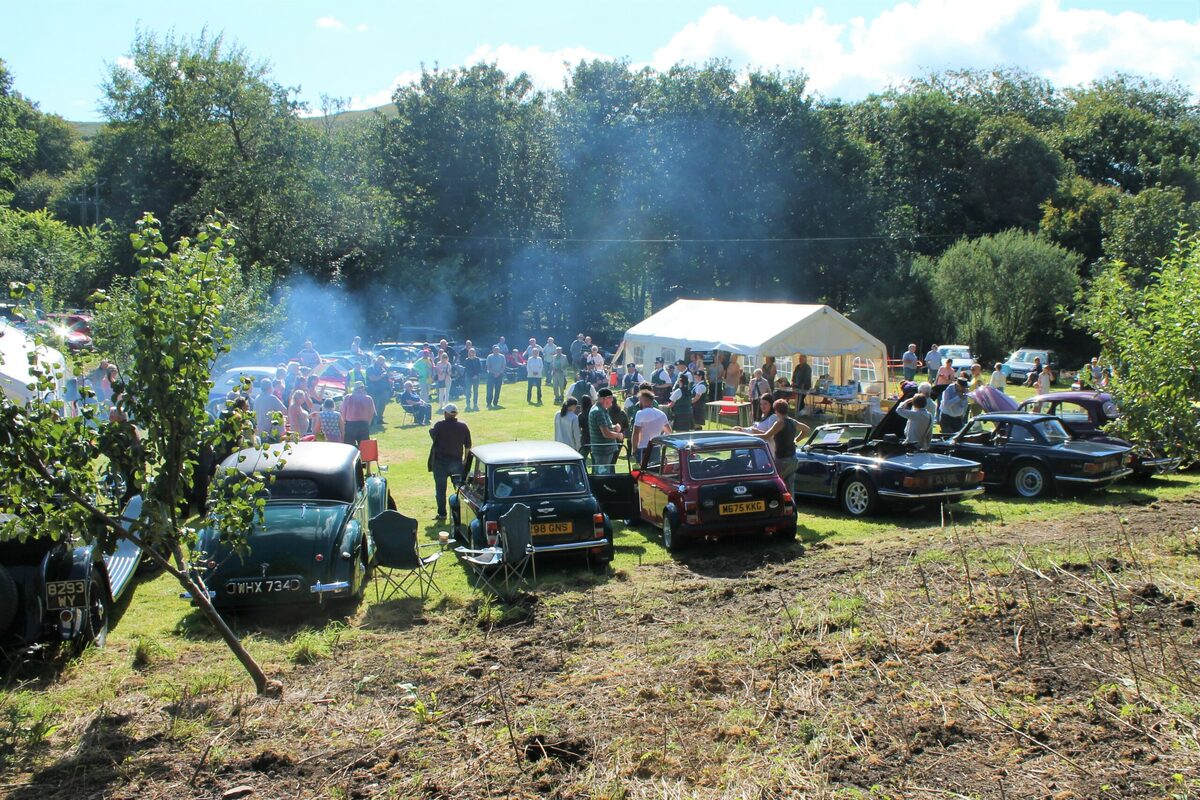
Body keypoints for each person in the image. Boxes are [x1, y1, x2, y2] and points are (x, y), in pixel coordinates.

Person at [429, 404, 471, 521]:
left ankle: (442, 514)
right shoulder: (463, 427)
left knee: (440, 490)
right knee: (460, 489)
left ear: (446, 414)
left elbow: (433, 435)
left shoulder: (439, 425)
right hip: (456, 462)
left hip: (440, 463)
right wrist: (465, 460)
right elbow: (468, 445)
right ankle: (461, 513)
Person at [749, 399, 801, 492]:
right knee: (789, 488)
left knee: (773, 484)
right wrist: (796, 440)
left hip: (782, 459)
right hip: (793, 458)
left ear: (776, 410)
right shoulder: (793, 421)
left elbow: (766, 436)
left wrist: (748, 435)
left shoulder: (780, 423)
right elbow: (807, 429)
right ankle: (790, 505)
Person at [630, 389, 670, 463]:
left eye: (640, 400)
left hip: (643, 448)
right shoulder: (661, 414)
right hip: (656, 447)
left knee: (643, 472)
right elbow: (668, 432)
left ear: (645, 401)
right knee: (654, 471)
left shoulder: (640, 413)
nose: (639, 402)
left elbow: (635, 433)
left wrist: (634, 450)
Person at [588, 388, 623, 472]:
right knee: (602, 474)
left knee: (604, 473)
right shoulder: (598, 412)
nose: (612, 400)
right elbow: (606, 433)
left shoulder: (602, 410)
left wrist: (615, 427)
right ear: (604, 399)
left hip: (605, 450)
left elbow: (605, 427)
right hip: (602, 451)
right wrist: (618, 435)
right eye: (611, 398)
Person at [340, 381, 377, 448]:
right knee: (364, 446)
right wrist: (368, 422)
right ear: (362, 388)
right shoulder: (368, 398)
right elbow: (371, 412)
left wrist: (344, 422)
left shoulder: (348, 397)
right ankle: (364, 458)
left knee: (349, 446)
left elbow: (343, 411)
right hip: (363, 424)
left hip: (350, 424)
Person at [253, 378, 286, 443]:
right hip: (270, 432)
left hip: (259, 431)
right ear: (270, 387)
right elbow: (284, 410)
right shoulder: (271, 398)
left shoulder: (257, 398)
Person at [366, 355, 392, 426]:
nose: (382, 363)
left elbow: (389, 376)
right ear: (377, 360)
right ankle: (371, 421)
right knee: (373, 406)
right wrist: (382, 376)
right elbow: (372, 379)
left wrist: (387, 370)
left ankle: (380, 419)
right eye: (381, 361)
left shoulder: (383, 368)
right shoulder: (371, 368)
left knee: (382, 406)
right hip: (373, 391)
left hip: (383, 390)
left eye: (383, 362)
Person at [462, 346, 483, 412]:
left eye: (473, 352)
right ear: (469, 353)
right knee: (468, 391)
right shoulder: (467, 360)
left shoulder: (477, 360)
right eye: (471, 352)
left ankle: (475, 404)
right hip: (469, 377)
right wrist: (472, 375)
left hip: (476, 377)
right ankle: (468, 405)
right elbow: (467, 369)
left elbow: (479, 368)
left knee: (475, 391)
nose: (472, 353)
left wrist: (476, 375)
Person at [485, 345, 506, 409]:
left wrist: (499, 373)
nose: (496, 351)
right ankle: (488, 403)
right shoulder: (489, 356)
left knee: (497, 389)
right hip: (491, 375)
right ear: (493, 350)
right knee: (489, 389)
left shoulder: (502, 357)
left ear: (499, 350)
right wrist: (494, 373)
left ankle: (495, 402)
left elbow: (504, 366)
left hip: (499, 375)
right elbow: (488, 367)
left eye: (497, 350)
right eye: (495, 350)